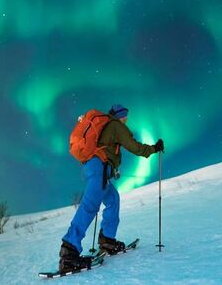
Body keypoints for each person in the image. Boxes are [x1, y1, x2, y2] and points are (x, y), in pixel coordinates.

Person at [58, 104, 164, 273]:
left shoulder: (106, 126)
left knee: (113, 199)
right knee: (90, 206)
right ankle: (69, 252)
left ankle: (107, 239)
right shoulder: (115, 125)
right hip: (99, 167)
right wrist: (154, 148)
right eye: (125, 116)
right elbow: (134, 146)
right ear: (119, 116)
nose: (126, 120)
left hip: (98, 169)